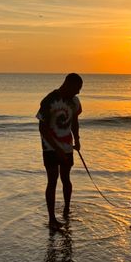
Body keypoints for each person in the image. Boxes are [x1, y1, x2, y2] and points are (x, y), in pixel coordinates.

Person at [36, 73, 83, 229]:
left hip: (67, 146)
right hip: (50, 148)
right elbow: (42, 128)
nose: (78, 92)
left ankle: (66, 210)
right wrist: (57, 150)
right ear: (68, 84)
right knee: (52, 181)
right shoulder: (49, 100)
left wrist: (77, 139)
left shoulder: (74, 102)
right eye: (77, 88)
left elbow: (75, 121)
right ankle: (52, 219)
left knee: (66, 178)